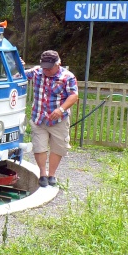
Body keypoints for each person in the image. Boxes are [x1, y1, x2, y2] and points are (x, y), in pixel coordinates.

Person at [24, 50, 79, 187]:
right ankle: (43, 174)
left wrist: (61, 109)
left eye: (49, 67)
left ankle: (52, 174)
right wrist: (17, 65)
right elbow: (18, 76)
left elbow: (74, 95)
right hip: (39, 118)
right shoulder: (36, 72)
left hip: (59, 120)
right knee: (39, 146)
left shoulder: (68, 77)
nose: (46, 70)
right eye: (44, 67)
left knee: (58, 148)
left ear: (58, 63)